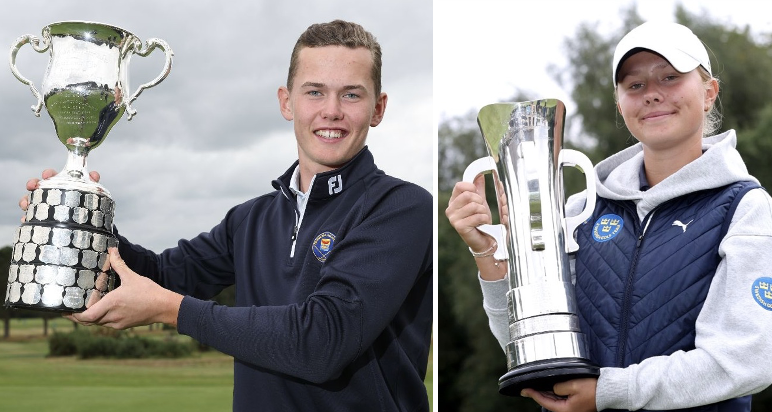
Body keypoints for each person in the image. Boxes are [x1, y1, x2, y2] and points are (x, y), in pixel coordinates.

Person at [20, 20, 433, 411]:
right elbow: (160, 276)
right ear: (286, 102)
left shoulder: (401, 208)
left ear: (378, 109)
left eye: (351, 94)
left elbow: (321, 341)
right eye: (314, 92)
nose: (331, 110)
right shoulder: (250, 220)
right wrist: (78, 221)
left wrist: (173, 310)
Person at [446, 21, 772, 412]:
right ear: (620, 105)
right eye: (634, 85)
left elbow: (748, 359)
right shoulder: (580, 211)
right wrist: (491, 256)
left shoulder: (746, 210)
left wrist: (609, 391)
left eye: (669, 77)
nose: (651, 94)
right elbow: (531, 348)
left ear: (708, 92)